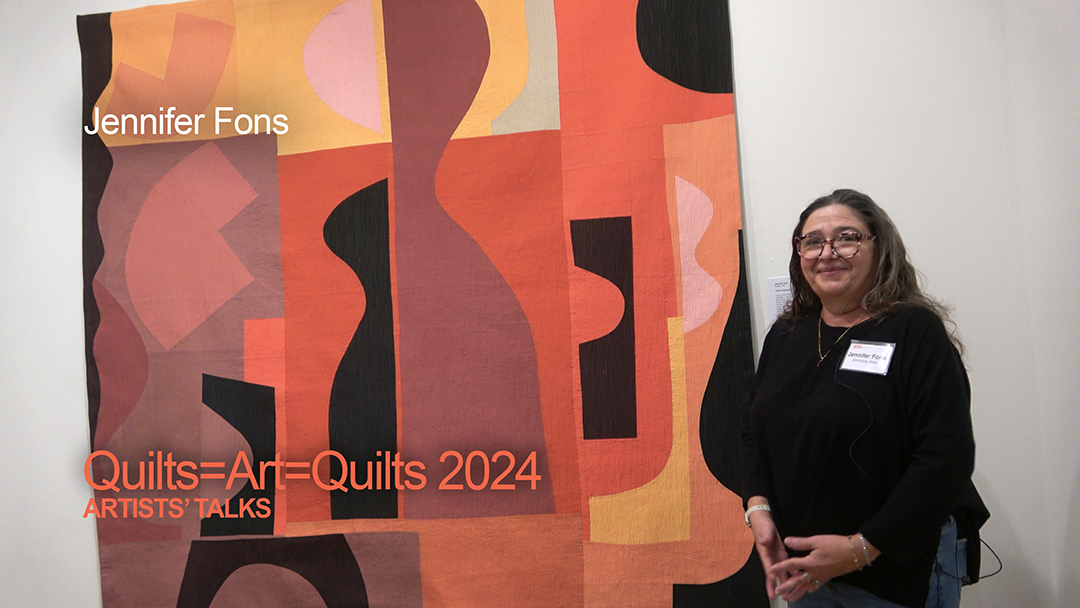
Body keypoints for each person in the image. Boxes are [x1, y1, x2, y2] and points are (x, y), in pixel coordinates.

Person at [740, 189, 983, 608]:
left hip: (896, 567)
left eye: (847, 237)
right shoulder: (786, 335)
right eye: (812, 241)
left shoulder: (913, 330)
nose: (827, 252)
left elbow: (946, 455)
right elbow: (753, 435)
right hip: (810, 571)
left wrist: (861, 548)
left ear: (879, 247)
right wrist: (757, 508)